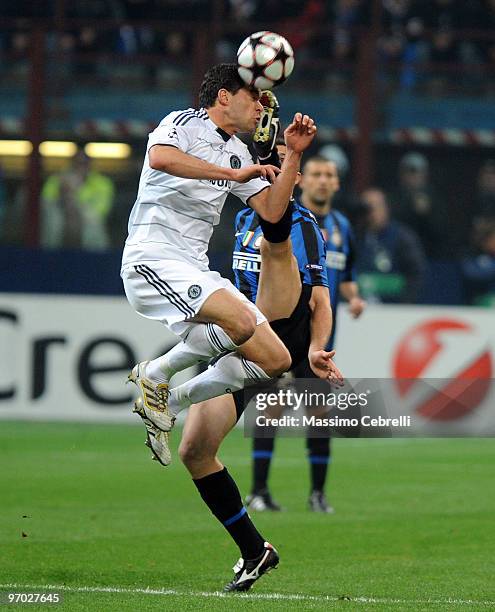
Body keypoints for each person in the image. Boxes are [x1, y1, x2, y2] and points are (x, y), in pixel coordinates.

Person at [121, 63, 330, 591]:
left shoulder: (239, 152)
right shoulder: (182, 124)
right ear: (222, 96)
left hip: (193, 267)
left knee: (277, 358)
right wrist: (233, 176)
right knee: (240, 321)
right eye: (253, 96)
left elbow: (273, 212)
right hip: (154, 255)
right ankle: (161, 379)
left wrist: (292, 157)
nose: (261, 105)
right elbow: (159, 159)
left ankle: (165, 391)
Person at [244, 154, 365, 514]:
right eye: (317, 174)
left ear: (337, 183)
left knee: (320, 413)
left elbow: (345, 277)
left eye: (330, 175)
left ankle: (317, 494)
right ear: (302, 180)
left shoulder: (343, 226)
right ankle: (259, 490)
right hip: (284, 332)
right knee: (271, 409)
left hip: (319, 338)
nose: (324, 181)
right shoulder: (287, 222)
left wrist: (355, 298)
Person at [357, 188, 426, 303]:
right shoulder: (354, 237)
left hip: (394, 309)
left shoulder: (402, 238)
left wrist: (403, 303)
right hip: (358, 307)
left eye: (374, 207)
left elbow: (416, 275)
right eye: (365, 209)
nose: (370, 213)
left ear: (386, 209)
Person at [41, 150, 114, 250]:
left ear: (90, 165)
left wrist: (75, 193)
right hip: (63, 216)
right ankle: (49, 255)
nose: (81, 167)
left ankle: (94, 259)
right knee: (54, 220)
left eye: (84, 164)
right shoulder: (57, 179)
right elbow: (46, 203)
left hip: (85, 220)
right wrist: (63, 192)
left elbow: (100, 212)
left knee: (93, 224)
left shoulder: (103, 183)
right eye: (77, 164)